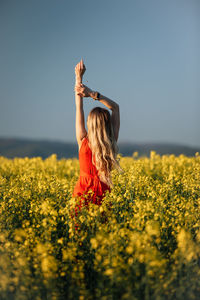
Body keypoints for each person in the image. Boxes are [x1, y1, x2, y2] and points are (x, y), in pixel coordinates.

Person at [71, 59, 121, 231]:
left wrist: (78, 77)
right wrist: (93, 94)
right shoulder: (111, 140)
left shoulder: (82, 140)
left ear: (90, 123)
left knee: (79, 242)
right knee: (102, 242)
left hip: (81, 194)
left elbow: (78, 106)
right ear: (106, 124)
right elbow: (115, 108)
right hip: (103, 195)